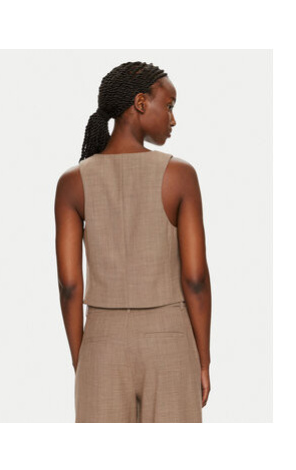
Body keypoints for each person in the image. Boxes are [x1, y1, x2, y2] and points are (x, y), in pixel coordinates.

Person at [55, 61, 212, 423]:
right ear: (141, 103)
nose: (173, 119)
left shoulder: (72, 182)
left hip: (102, 341)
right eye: (169, 106)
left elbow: (69, 285)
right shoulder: (179, 175)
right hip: (170, 341)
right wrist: (203, 360)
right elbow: (195, 279)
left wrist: (83, 358)